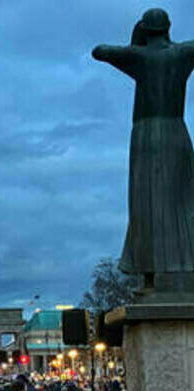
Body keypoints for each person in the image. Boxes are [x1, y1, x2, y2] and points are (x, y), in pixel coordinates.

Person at [93, 8, 194, 284]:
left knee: (146, 205)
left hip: (146, 136)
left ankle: (151, 271)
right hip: (176, 132)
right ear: (168, 28)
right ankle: (183, 267)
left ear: (145, 29)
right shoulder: (184, 53)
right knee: (182, 201)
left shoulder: (138, 56)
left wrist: (135, 39)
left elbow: (99, 51)